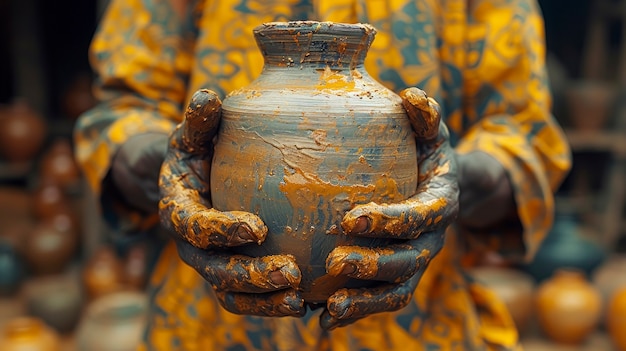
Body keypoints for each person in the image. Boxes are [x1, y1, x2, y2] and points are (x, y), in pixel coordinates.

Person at [74, 0, 571, 350]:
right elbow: (123, 111)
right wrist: (162, 162)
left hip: (418, 319)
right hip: (204, 317)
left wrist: (456, 178)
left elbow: (522, 134)